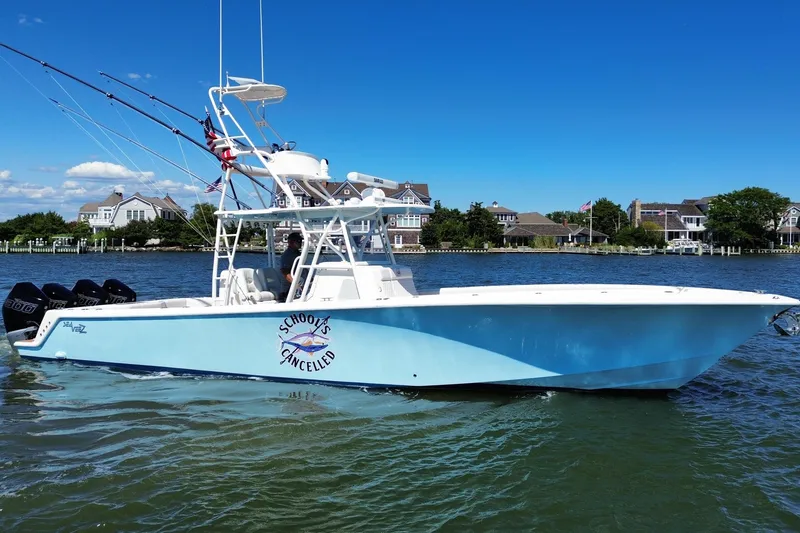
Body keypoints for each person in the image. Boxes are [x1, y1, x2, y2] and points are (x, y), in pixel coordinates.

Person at [279, 232, 303, 301]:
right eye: (298, 241)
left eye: (301, 240)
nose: (300, 242)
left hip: (299, 286)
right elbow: (285, 272)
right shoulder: (287, 255)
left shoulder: (298, 253)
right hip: (289, 291)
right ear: (291, 242)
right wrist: (296, 285)